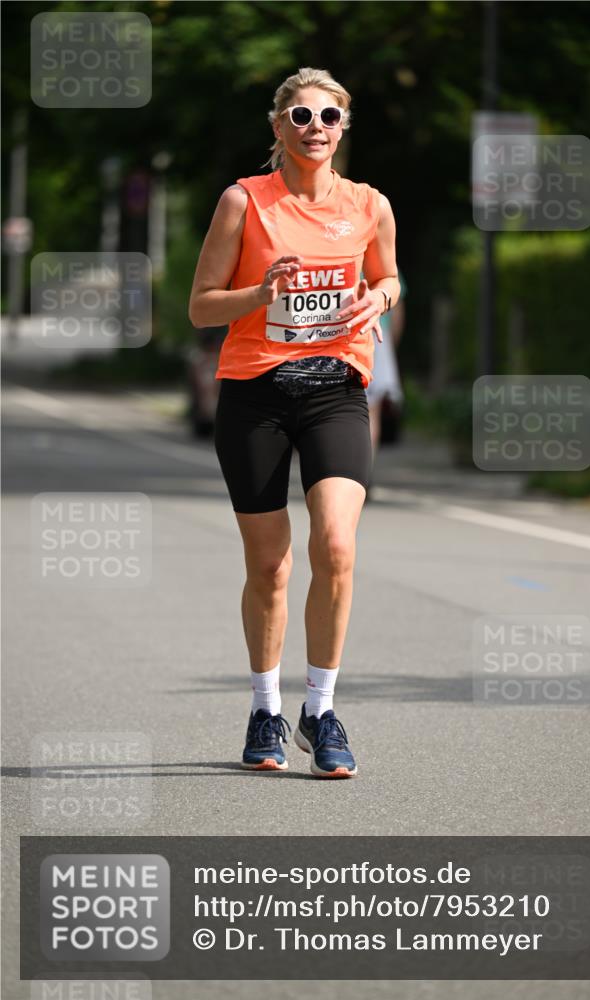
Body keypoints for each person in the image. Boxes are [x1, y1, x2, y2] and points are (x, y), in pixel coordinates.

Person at [189, 67, 399, 779]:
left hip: (336, 388)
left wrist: (381, 298)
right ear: (278, 127)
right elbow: (201, 307)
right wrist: (260, 291)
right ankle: (263, 707)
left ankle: (320, 708)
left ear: (343, 128)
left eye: (329, 117)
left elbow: (389, 275)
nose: (316, 128)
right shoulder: (243, 203)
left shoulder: (369, 204)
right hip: (255, 393)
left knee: (336, 547)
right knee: (270, 566)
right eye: (302, 116)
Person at [366, 270, 407, 454]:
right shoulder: (383, 260)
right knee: (370, 409)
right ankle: (365, 471)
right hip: (377, 337)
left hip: (341, 336)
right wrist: (391, 344)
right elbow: (397, 310)